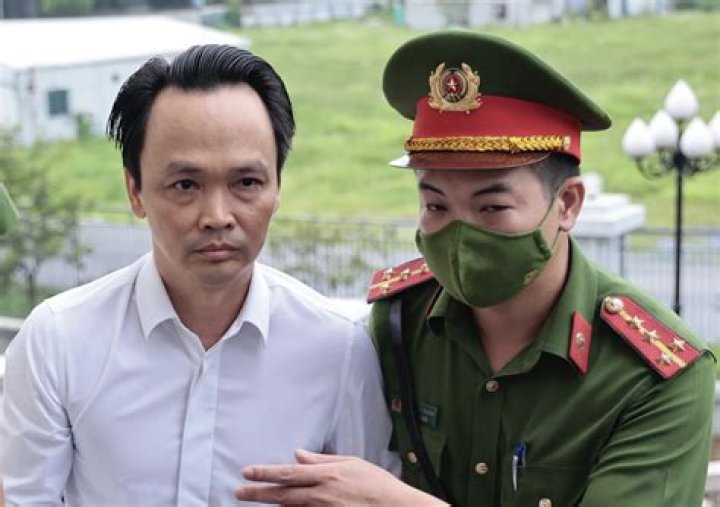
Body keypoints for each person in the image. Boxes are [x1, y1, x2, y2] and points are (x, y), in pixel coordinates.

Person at [235, 31, 715, 506]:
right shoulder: (399, 324)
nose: (461, 235)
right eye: (436, 206)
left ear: (567, 204)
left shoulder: (652, 377)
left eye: (492, 208)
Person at [0, 44, 397, 505]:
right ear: (135, 190)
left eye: (246, 183)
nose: (217, 216)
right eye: (185, 185)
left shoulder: (340, 348)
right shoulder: (59, 340)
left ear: (277, 187)